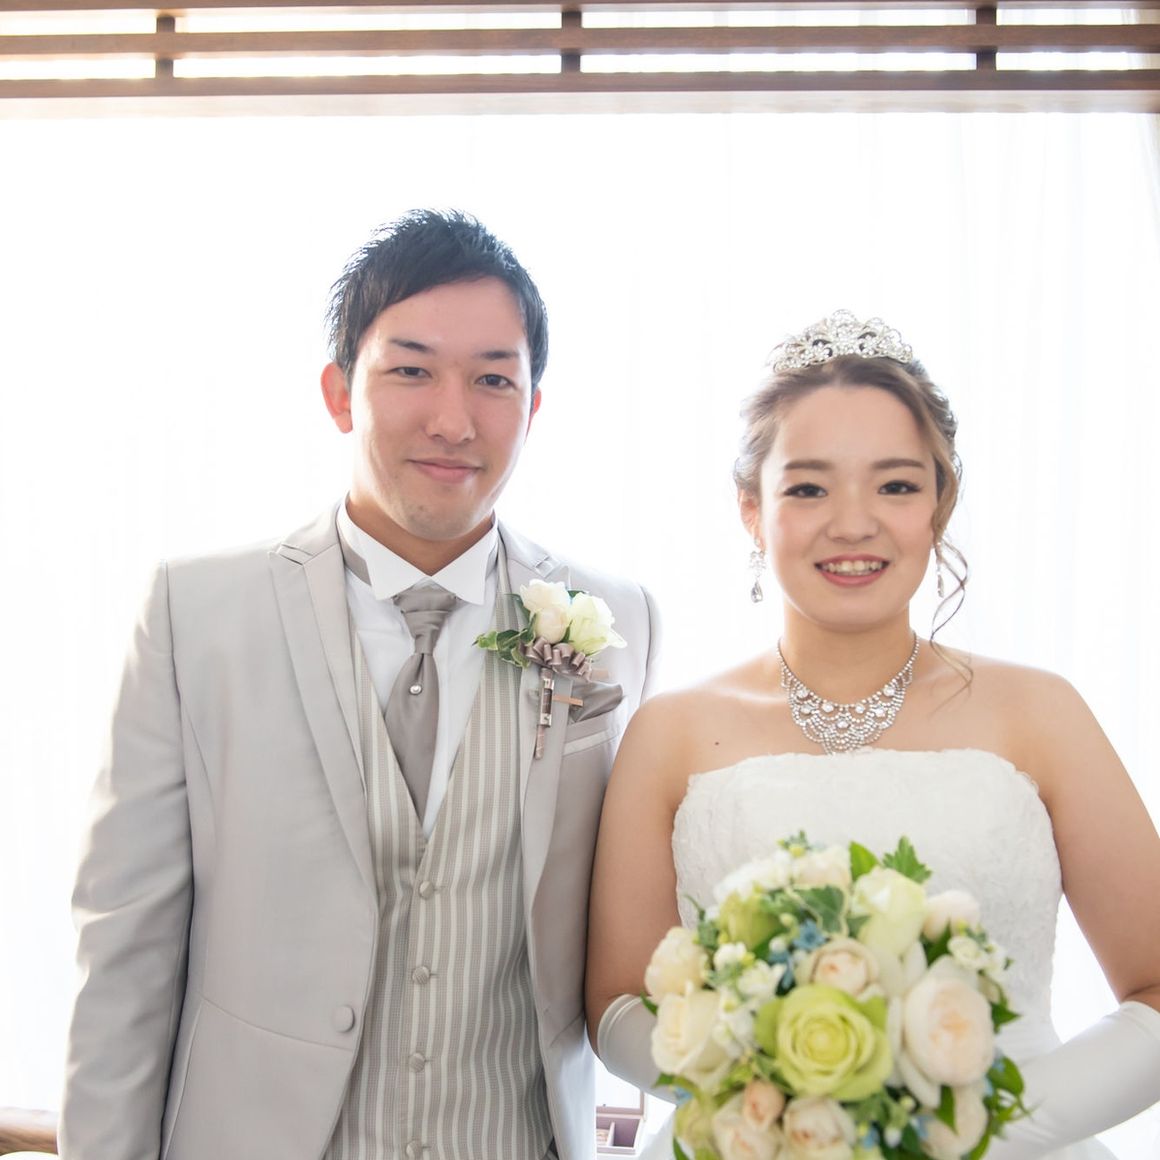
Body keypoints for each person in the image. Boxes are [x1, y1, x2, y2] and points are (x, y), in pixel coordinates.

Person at [60, 209, 659, 1160]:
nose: (453, 420)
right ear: (340, 393)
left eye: (493, 379)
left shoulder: (617, 619)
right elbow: (123, 952)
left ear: (534, 407)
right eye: (411, 371)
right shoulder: (195, 614)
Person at [586, 311, 1160, 1159]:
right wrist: (773, 1098)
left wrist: (977, 1126)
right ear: (752, 509)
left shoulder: (1042, 714)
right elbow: (616, 1005)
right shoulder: (671, 731)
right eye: (808, 488)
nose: (853, 524)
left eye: (895, 486)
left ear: (939, 504)